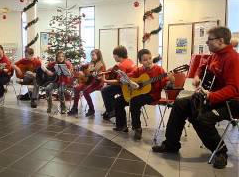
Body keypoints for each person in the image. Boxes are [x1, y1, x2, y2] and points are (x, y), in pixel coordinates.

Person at [152, 26, 239, 169]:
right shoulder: (215, 54)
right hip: (212, 97)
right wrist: (198, 76)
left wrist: (211, 96)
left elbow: (233, 89)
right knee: (180, 104)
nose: (207, 43)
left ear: (220, 41)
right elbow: (202, 65)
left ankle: (220, 152)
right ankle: (171, 144)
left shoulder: (233, 58)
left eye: (209, 40)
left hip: (230, 102)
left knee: (201, 118)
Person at [113, 49, 174, 140]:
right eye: (145, 60)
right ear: (140, 61)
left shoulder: (158, 69)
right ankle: (121, 125)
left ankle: (137, 128)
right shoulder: (139, 70)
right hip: (138, 94)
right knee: (118, 100)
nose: (148, 61)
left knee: (134, 101)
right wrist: (126, 81)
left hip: (152, 95)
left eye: (150, 58)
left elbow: (167, 85)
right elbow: (128, 77)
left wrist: (171, 81)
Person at [101, 45, 137, 120]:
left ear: (117, 55)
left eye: (114, 55)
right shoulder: (129, 61)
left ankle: (111, 111)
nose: (113, 57)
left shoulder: (122, 65)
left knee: (105, 90)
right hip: (134, 87)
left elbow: (119, 82)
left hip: (128, 88)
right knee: (109, 88)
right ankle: (112, 110)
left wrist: (105, 81)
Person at [68, 49, 106, 117]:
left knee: (85, 91)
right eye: (91, 55)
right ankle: (75, 108)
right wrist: (77, 69)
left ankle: (91, 109)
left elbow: (101, 77)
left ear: (98, 55)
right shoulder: (90, 63)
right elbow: (82, 66)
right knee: (76, 88)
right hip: (89, 82)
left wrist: (97, 76)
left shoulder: (101, 65)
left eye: (93, 55)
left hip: (97, 83)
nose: (92, 57)